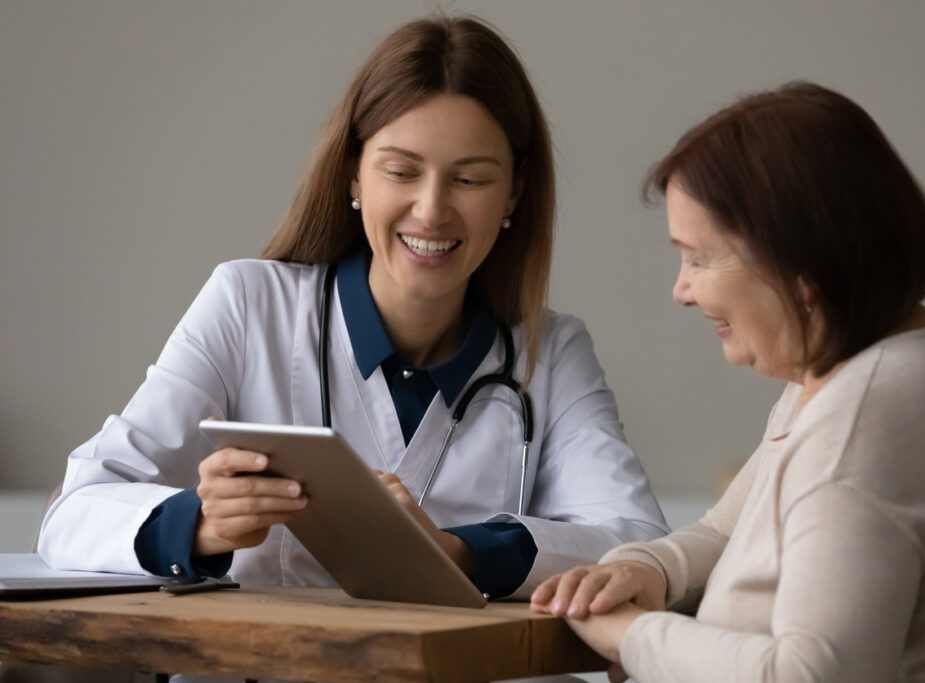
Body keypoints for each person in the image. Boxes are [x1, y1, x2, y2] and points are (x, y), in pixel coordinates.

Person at [37, 15, 667, 604]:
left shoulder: (549, 352)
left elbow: (639, 545)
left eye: (470, 179)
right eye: (401, 171)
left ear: (515, 193)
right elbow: (73, 512)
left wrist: (458, 552)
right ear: (353, 176)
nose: (431, 210)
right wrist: (199, 523)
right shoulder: (248, 304)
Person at [531, 82, 925, 681]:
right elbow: (726, 530)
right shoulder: (870, 363)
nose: (681, 291)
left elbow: (809, 675)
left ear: (800, 267)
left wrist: (632, 636)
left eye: (698, 258)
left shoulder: (863, 427)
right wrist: (651, 568)